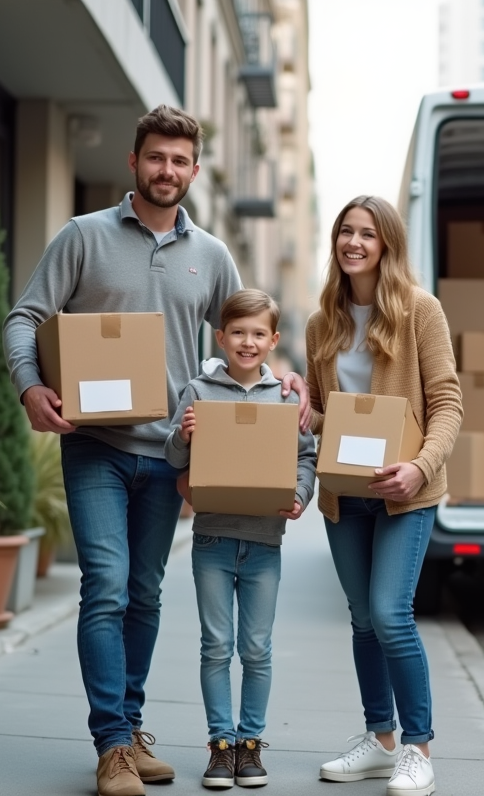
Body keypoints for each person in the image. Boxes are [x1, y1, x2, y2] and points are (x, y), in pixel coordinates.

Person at [2, 106, 309, 796]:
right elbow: (26, 317)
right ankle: (112, 744)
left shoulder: (213, 255)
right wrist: (30, 387)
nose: (166, 170)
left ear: (194, 171)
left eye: (179, 160)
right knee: (106, 586)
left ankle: (132, 730)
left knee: (144, 593)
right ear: (134, 161)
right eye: (155, 157)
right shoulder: (83, 236)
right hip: (96, 445)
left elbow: (246, 334)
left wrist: (284, 377)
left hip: (170, 454)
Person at [304, 196, 462, 796]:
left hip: (405, 493)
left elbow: (447, 403)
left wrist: (420, 468)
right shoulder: (322, 322)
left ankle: (418, 749)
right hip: (346, 494)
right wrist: (298, 407)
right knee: (363, 620)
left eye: (367, 233)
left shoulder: (421, 310)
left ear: (386, 244)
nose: (354, 242)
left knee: (391, 614)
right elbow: (324, 415)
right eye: (345, 231)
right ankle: (381, 740)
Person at [164, 288, 317, 790]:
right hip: (212, 540)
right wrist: (182, 436)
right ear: (220, 337)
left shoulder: (285, 398)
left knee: (256, 648)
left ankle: (249, 746)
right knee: (215, 647)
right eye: (237, 333)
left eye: (257, 334)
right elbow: (173, 460)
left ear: (273, 340)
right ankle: (220, 745)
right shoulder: (198, 391)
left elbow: (306, 457)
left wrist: (300, 495)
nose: (247, 342)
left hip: (264, 543)